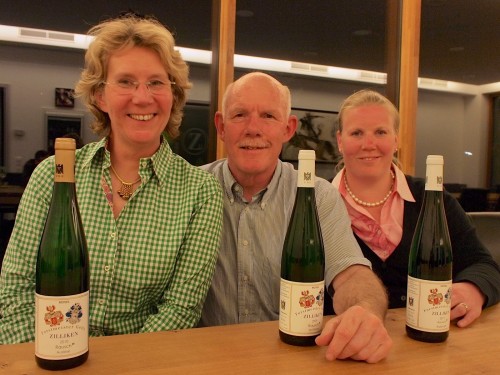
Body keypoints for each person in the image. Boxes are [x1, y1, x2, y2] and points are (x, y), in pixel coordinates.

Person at [0, 13, 223, 344]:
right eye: (126, 81)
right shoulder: (53, 176)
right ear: (100, 96)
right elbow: (16, 292)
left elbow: (179, 310)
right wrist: (52, 355)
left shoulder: (201, 191)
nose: (143, 97)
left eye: (157, 82)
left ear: (173, 95)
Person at [200, 72, 393, 363]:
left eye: (268, 116)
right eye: (239, 115)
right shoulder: (190, 190)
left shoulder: (319, 196)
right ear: (221, 126)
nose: (253, 128)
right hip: (203, 359)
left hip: (289, 361)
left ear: (288, 128)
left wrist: (365, 312)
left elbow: (352, 274)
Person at [331, 89, 500, 328]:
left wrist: (473, 290)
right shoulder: (320, 202)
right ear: (340, 141)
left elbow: (484, 265)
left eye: (381, 132)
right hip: (345, 341)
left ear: (396, 140)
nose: (369, 144)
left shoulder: (433, 198)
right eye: (356, 133)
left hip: (426, 339)